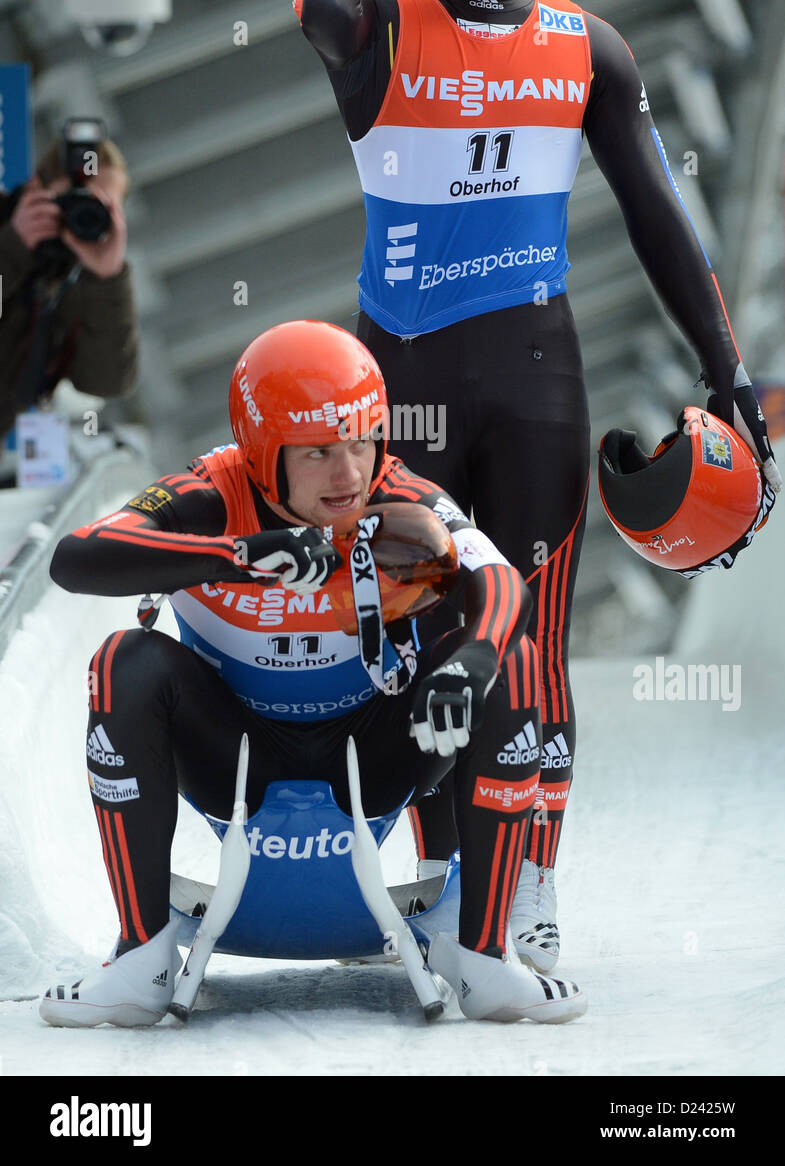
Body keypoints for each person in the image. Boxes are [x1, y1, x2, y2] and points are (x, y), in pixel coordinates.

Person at [286, 0, 781, 969]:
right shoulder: (384, 26)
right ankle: (452, 885)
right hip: (401, 398)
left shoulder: (587, 45)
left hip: (536, 383)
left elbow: (661, 217)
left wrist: (729, 371)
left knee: (531, 645)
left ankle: (529, 897)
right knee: (412, 640)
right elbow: (317, 6)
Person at [38, 319, 587, 1028]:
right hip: (235, 758)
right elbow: (76, 557)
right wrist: (241, 556)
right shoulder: (209, 492)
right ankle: (139, 957)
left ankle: (484, 957)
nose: (349, 473)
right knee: (123, 661)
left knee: (509, 659)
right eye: (319, 451)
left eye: (361, 441)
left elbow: (500, 580)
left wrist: (472, 663)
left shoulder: (397, 497)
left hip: (376, 750)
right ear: (264, 455)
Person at [0, 132, 138, 445]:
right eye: (77, 199)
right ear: (36, 187)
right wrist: (13, 248)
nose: (81, 216)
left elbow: (107, 382)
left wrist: (107, 280)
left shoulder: (81, 279)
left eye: (100, 207)